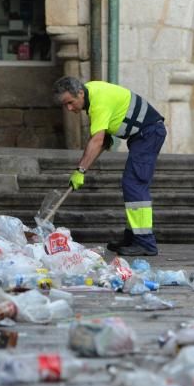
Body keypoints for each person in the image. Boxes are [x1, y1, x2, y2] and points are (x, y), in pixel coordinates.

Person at [53, 77, 167, 257]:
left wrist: (80, 170)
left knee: (134, 184)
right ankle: (133, 238)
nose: (69, 108)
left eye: (70, 102)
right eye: (64, 105)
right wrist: (83, 167)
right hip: (143, 135)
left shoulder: (98, 103)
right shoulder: (91, 95)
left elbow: (97, 140)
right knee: (131, 186)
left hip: (149, 134)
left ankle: (145, 243)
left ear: (80, 93)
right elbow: (104, 140)